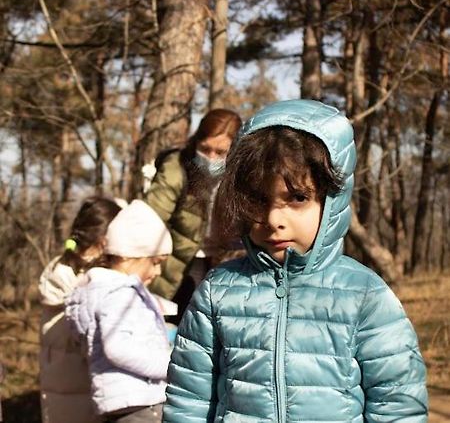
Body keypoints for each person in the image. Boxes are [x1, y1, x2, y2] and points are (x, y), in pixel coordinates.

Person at [163, 100, 428, 422]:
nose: (273, 218)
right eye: (259, 200)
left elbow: (397, 404)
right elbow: (188, 400)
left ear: (332, 199)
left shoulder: (365, 294)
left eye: (297, 199)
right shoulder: (217, 292)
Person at [65, 200, 173, 423]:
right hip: (140, 401)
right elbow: (118, 348)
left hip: (122, 402)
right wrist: (171, 365)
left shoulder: (100, 290)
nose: (158, 271)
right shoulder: (118, 293)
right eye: (154, 262)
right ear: (127, 255)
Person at [146, 108, 242, 323]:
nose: (210, 158)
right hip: (178, 262)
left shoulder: (244, 176)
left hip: (225, 261)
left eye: (220, 152)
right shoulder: (177, 168)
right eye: (205, 149)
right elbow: (153, 215)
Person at [39, 196, 122, 423]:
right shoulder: (79, 278)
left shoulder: (64, 268)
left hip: (65, 393)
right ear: (105, 240)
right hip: (76, 392)